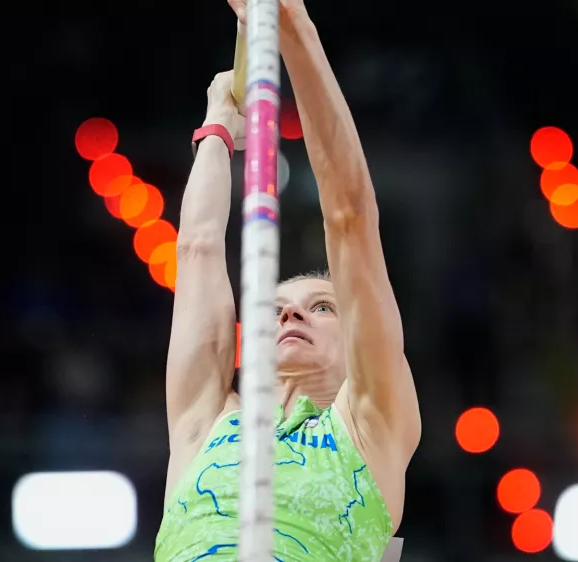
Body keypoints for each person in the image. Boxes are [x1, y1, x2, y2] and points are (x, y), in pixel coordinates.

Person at [155, 1, 421, 559]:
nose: (289, 314)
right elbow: (198, 250)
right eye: (272, 308)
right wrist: (217, 129)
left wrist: (293, 23)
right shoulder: (203, 423)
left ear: (357, 345)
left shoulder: (372, 426)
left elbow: (350, 219)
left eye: (322, 306)